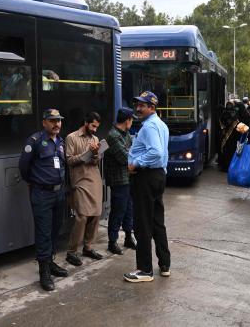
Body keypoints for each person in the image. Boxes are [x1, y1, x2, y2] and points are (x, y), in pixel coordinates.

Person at [18, 108, 69, 291]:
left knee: (56, 230)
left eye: (59, 120)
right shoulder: (35, 141)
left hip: (59, 193)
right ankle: (44, 272)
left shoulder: (61, 142)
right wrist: (34, 183)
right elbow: (24, 167)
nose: (57, 124)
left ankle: (50, 262)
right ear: (44, 122)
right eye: (53, 120)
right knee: (43, 233)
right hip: (42, 194)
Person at [124, 91, 171, 283]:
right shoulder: (160, 124)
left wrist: (136, 164)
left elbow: (157, 153)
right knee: (156, 221)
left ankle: (144, 270)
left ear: (152, 107)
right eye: (137, 104)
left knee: (142, 223)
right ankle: (164, 264)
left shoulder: (150, 126)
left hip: (146, 177)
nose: (138, 108)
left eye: (142, 105)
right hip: (157, 176)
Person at [65, 111, 105, 266]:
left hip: (94, 178)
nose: (95, 129)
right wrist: (88, 154)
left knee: (96, 214)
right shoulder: (71, 138)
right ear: (86, 122)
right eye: (93, 126)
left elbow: (95, 162)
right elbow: (69, 160)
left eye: (97, 127)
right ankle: (72, 251)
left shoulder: (95, 139)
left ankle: (88, 247)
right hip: (80, 180)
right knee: (81, 216)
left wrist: (96, 154)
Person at [104, 107, 137, 255]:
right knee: (118, 210)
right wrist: (130, 151)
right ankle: (112, 241)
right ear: (127, 120)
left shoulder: (125, 134)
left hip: (128, 177)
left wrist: (130, 151)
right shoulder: (113, 135)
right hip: (118, 179)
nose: (132, 122)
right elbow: (125, 157)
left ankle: (128, 237)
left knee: (129, 209)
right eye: (131, 120)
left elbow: (134, 150)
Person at [218, 102, 240, 172]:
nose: (229, 107)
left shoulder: (227, 113)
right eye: (228, 105)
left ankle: (227, 166)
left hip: (229, 135)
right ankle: (229, 166)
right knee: (227, 151)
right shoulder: (234, 113)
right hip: (228, 135)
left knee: (227, 151)